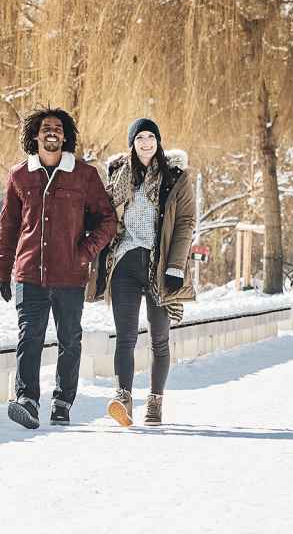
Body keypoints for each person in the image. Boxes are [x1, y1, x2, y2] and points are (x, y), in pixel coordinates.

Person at [0, 107, 117, 429]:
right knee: (29, 337)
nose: (52, 132)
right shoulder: (19, 175)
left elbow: (108, 220)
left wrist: (86, 252)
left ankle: (62, 401)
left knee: (70, 339)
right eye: (46, 127)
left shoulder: (84, 175)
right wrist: (2, 270)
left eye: (58, 128)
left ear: (66, 136)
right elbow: (8, 227)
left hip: (70, 274)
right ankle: (28, 401)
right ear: (35, 135)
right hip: (29, 272)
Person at [86, 118, 198, 426]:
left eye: (151, 137)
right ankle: (123, 397)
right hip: (124, 264)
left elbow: (186, 222)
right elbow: (103, 215)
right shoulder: (119, 176)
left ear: (158, 141)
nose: (146, 142)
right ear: (132, 143)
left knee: (159, 337)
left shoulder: (175, 177)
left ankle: (155, 401)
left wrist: (175, 265)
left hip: (160, 267)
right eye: (140, 138)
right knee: (125, 336)